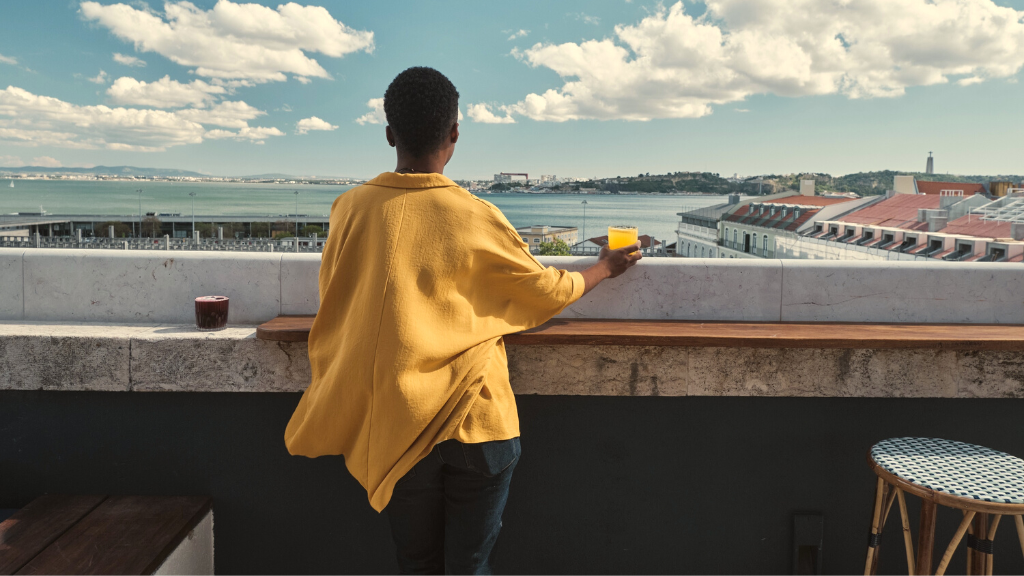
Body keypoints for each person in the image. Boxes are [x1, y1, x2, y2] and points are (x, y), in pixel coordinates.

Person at [284, 66, 641, 574]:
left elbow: (341, 299)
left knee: (417, 565)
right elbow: (542, 291)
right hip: (477, 422)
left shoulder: (349, 209)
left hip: (397, 421)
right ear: (454, 134)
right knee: (469, 567)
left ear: (390, 135)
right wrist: (606, 266)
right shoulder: (474, 214)